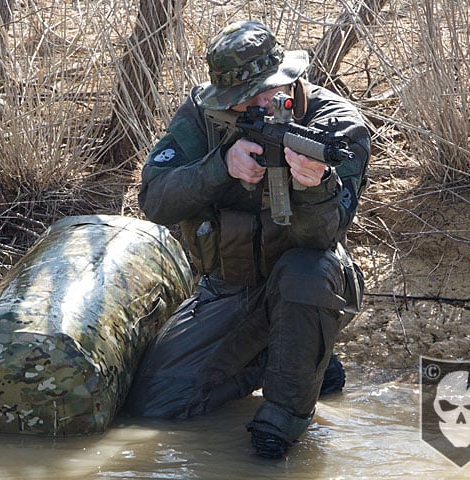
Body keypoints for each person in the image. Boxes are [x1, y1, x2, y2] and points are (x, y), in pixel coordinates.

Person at [124, 20, 370, 459]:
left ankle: (280, 422)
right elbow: (155, 200)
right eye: (243, 97)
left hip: (311, 281)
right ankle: (295, 358)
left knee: (305, 274)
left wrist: (313, 187)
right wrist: (221, 166)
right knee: (156, 406)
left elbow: (323, 237)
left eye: (268, 89)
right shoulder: (204, 115)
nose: (259, 103)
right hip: (229, 287)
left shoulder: (338, 126)